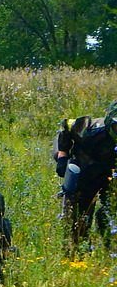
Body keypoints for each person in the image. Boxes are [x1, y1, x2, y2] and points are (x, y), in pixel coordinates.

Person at [53, 101, 117, 254]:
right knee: (79, 219)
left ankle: (110, 249)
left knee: (111, 212)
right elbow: (65, 127)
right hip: (83, 170)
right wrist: (62, 157)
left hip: (108, 172)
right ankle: (78, 253)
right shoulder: (91, 129)